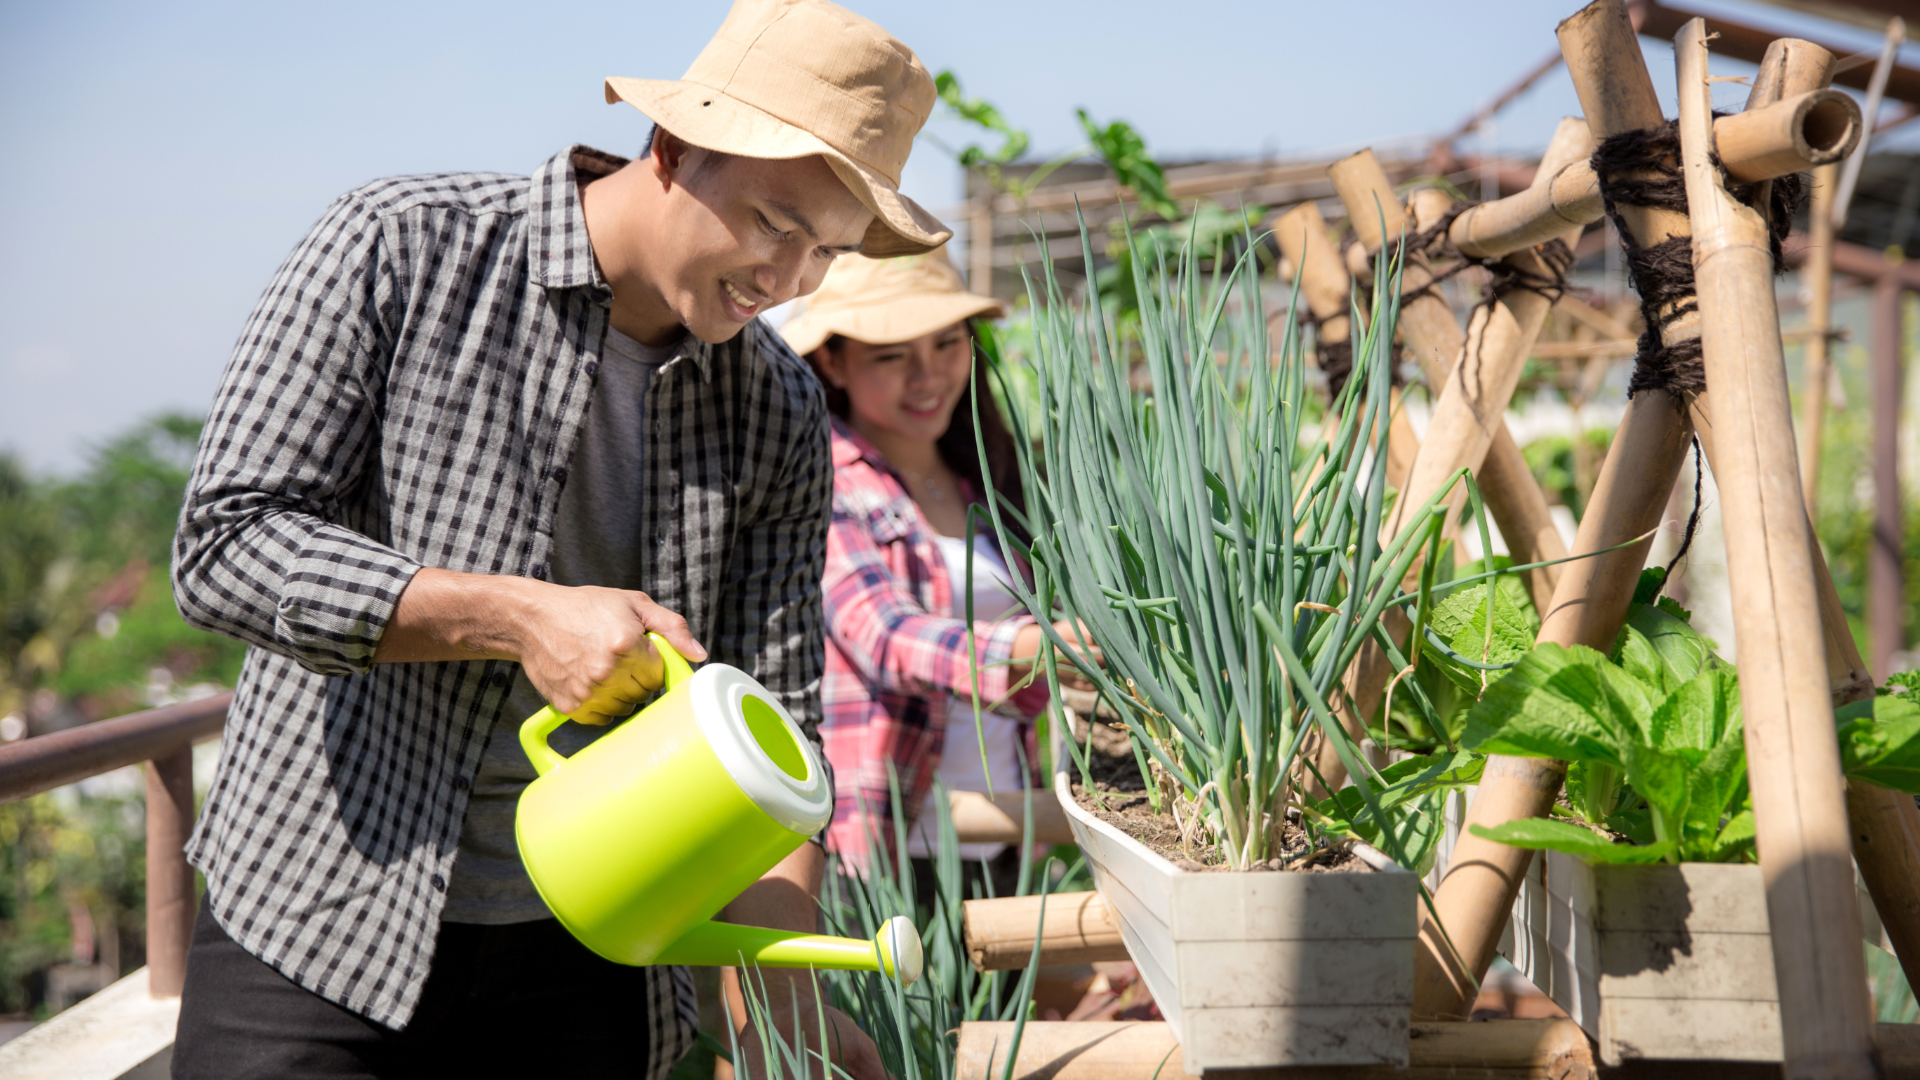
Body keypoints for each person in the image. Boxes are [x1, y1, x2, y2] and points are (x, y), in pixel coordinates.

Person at [166, 2, 948, 1077]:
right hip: (321, 917)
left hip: (597, 952)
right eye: (774, 222)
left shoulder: (777, 404)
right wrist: (519, 616)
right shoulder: (401, 247)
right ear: (676, 148)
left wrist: (780, 993)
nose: (787, 280)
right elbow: (225, 549)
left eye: (826, 252)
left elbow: (780, 726)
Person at [780, 249, 1089, 897]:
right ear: (834, 360)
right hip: (890, 845)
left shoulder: (985, 480)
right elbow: (886, 637)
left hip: (1001, 832)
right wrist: (1050, 649)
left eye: (947, 344)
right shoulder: (824, 475)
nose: (927, 376)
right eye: (892, 354)